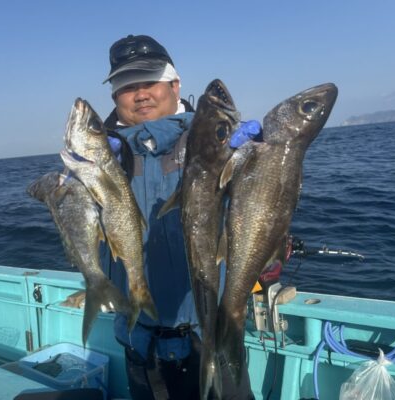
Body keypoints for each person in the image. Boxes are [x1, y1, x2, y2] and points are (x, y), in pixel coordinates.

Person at [100, 34, 257, 400]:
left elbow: (260, 213)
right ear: (115, 97)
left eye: (150, 81)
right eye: (128, 86)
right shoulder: (102, 158)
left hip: (213, 334)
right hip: (142, 347)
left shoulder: (215, 141)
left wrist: (256, 161)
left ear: (175, 84)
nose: (140, 94)